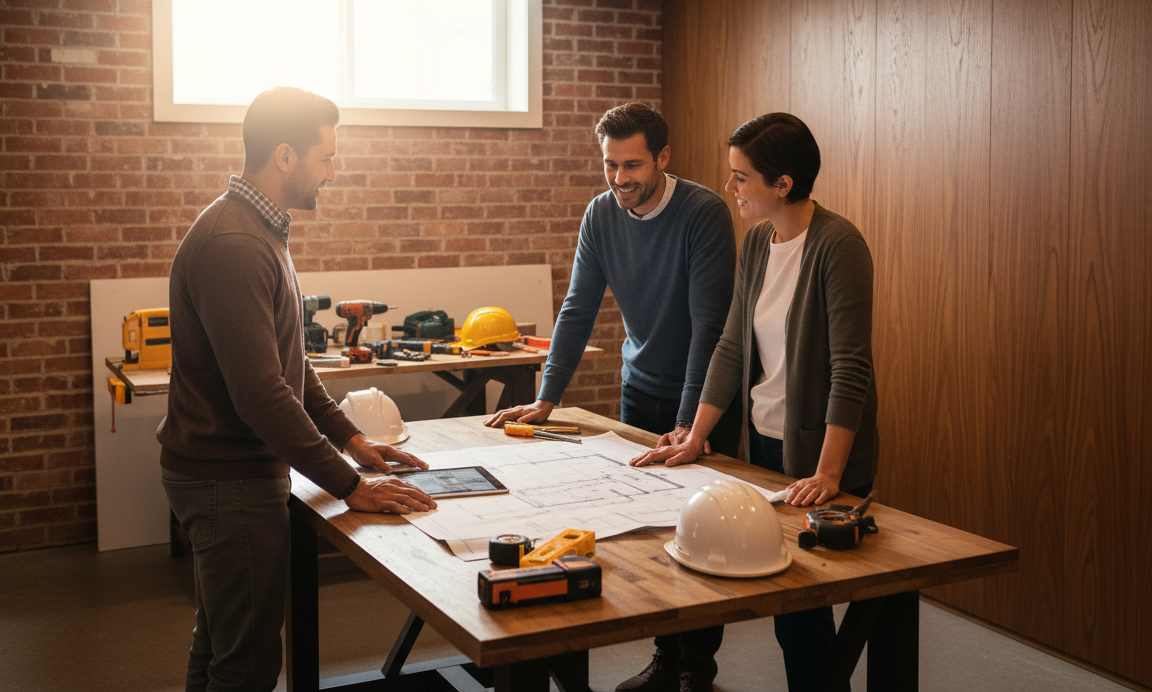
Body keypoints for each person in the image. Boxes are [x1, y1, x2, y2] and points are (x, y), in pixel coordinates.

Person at [156, 86, 436, 692]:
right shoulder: (237, 243)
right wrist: (351, 487)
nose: (332, 173)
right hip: (225, 480)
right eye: (325, 158)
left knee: (221, 644)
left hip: (223, 475)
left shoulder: (259, 228)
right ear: (285, 156)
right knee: (248, 662)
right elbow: (261, 395)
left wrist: (352, 439)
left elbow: (288, 362)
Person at [484, 101, 740, 692]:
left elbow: (710, 327)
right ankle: (665, 659)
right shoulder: (601, 214)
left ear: (663, 158)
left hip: (701, 403)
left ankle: (697, 670)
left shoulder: (703, 213)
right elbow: (576, 309)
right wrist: (547, 398)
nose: (620, 179)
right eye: (610, 165)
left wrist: (686, 426)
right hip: (639, 390)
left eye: (632, 165)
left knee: (703, 537)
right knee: (651, 535)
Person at [631, 112, 879, 692]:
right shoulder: (759, 244)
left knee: (802, 617)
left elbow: (851, 369)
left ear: (783, 183)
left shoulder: (839, 246)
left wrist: (828, 471)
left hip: (821, 454)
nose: (731, 187)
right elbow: (731, 345)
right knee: (782, 606)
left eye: (741, 177)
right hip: (765, 442)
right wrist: (696, 435)